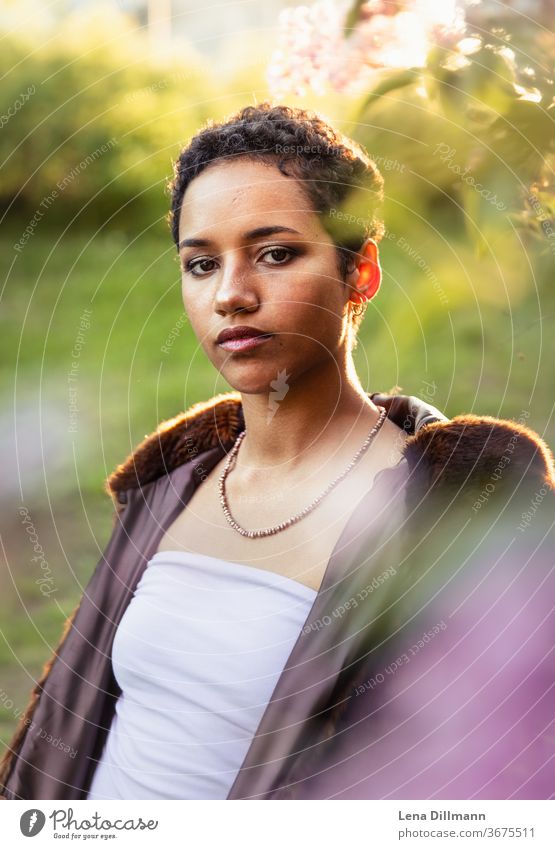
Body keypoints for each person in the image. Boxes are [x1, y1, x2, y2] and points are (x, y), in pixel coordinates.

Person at [1, 103, 553, 800]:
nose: (231, 295)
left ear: (360, 273)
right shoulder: (170, 482)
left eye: (275, 253)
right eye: (201, 264)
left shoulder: (445, 516)